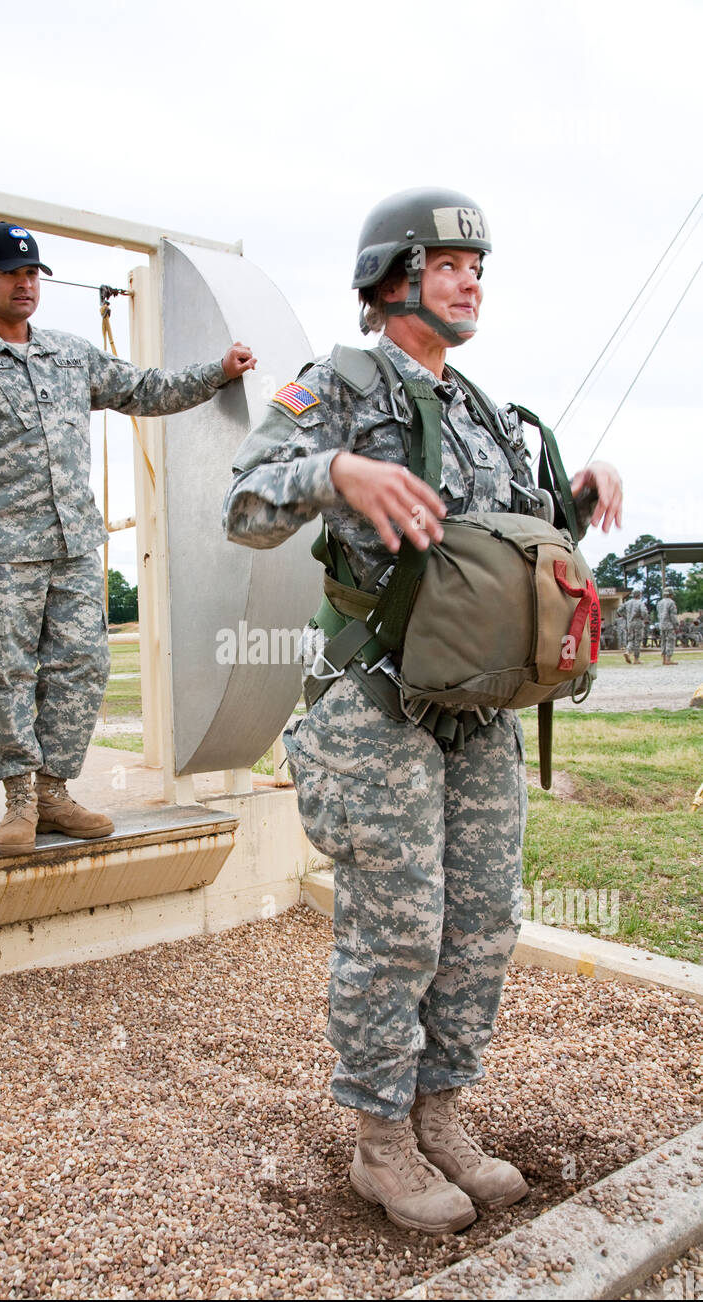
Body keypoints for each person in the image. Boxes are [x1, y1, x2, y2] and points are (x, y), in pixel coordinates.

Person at [222, 188, 622, 1234]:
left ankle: (440, 1114)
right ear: (390, 281)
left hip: (475, 711)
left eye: (477, 265)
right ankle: (379, 1143)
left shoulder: (485, 411)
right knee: (394, 930)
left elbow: (506, 543)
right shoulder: (340, 387)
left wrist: (575, 498)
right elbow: (245, 502)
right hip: (378, 700)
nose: (469, 279)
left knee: (480, 922)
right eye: (447, 263)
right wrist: (336, 470)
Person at [0, 221, 256, 853]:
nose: (25, 284)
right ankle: (19, 799)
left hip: (74, 547)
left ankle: (53, 792)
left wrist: (216, 371)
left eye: (32, 274)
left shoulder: (69, 356)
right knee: (3, 670)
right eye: (11, 273)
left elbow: (143, 388)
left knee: (83, 664)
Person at [624, 589, 648, 664]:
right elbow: (644, 612)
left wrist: (627, 616)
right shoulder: (640, 603)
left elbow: (619, 610)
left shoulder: (627, 603)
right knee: (637, 640)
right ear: (639, 595)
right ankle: (636, 659)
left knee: (631, 639)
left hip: (630, 623)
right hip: (638, 622)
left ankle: (627, 652)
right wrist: (643, 617)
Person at [657, 589, 679, 664]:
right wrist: (676, 625)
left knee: (663, 641)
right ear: (671, 594)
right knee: (670, 641)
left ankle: (663, 659)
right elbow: (673, 616)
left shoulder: (659, 602)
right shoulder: (671, 602)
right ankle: (668, 659)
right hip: (669, 625)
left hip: (661, 624)